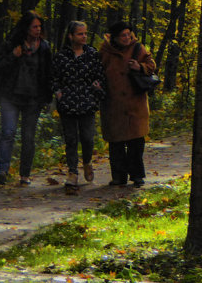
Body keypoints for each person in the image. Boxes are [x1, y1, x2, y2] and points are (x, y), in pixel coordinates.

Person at [0, 11, 53, 186]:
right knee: (8, 132)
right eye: (34, 26)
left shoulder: (44, 47)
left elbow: (49, 73)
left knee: (28, 137)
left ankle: (24, 175)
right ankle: (3, 170)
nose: (38, 29)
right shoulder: (12, 44)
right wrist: (14, 56)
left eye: (39, 26)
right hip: (10, 96)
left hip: (33, 99)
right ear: (26, 28)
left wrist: (48, 97)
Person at [99, 21, 156, 188]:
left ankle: (137, 176)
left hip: (135, 103)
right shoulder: (105, 51)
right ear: (114, 37)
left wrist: (140, 67)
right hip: (113, 104)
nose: (126, 38)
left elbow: (152, 65)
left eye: (128, 34)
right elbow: (98, 70)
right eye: (123, 35)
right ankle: (118, 176)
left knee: (136, 142)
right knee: (116, 142)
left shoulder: (138, 48)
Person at [52, 21, 106, 194]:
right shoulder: (61, 56)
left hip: (87, 102)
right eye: (80, 34)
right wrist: (58, 92)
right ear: (71, 36)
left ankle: (88, 161)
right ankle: (72, 172)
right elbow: (53, 77)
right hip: (67, 103)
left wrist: (97, 88)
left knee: (87, 137)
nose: (84, 37)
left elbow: (100, 75)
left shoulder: (92, 54)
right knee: (71, 139)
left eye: (85, 33)